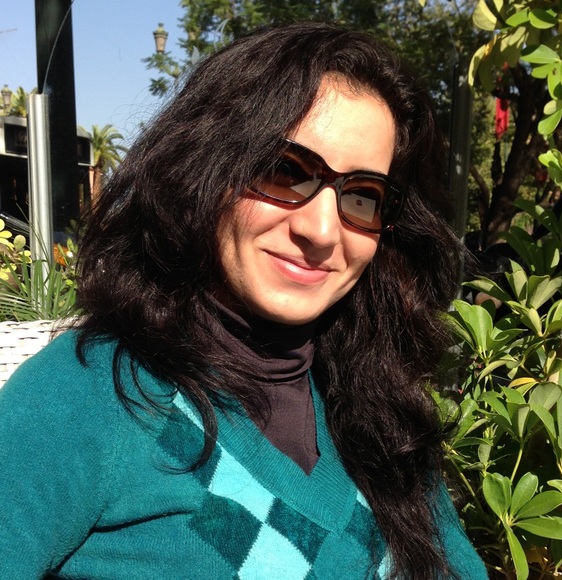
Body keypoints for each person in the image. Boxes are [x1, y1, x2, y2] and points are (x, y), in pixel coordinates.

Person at [0, 23, 487, 579]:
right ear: (203, 169)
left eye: (362, 196)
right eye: (284, 171)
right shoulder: (87, 398)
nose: (322, 230)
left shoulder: (379, 411)